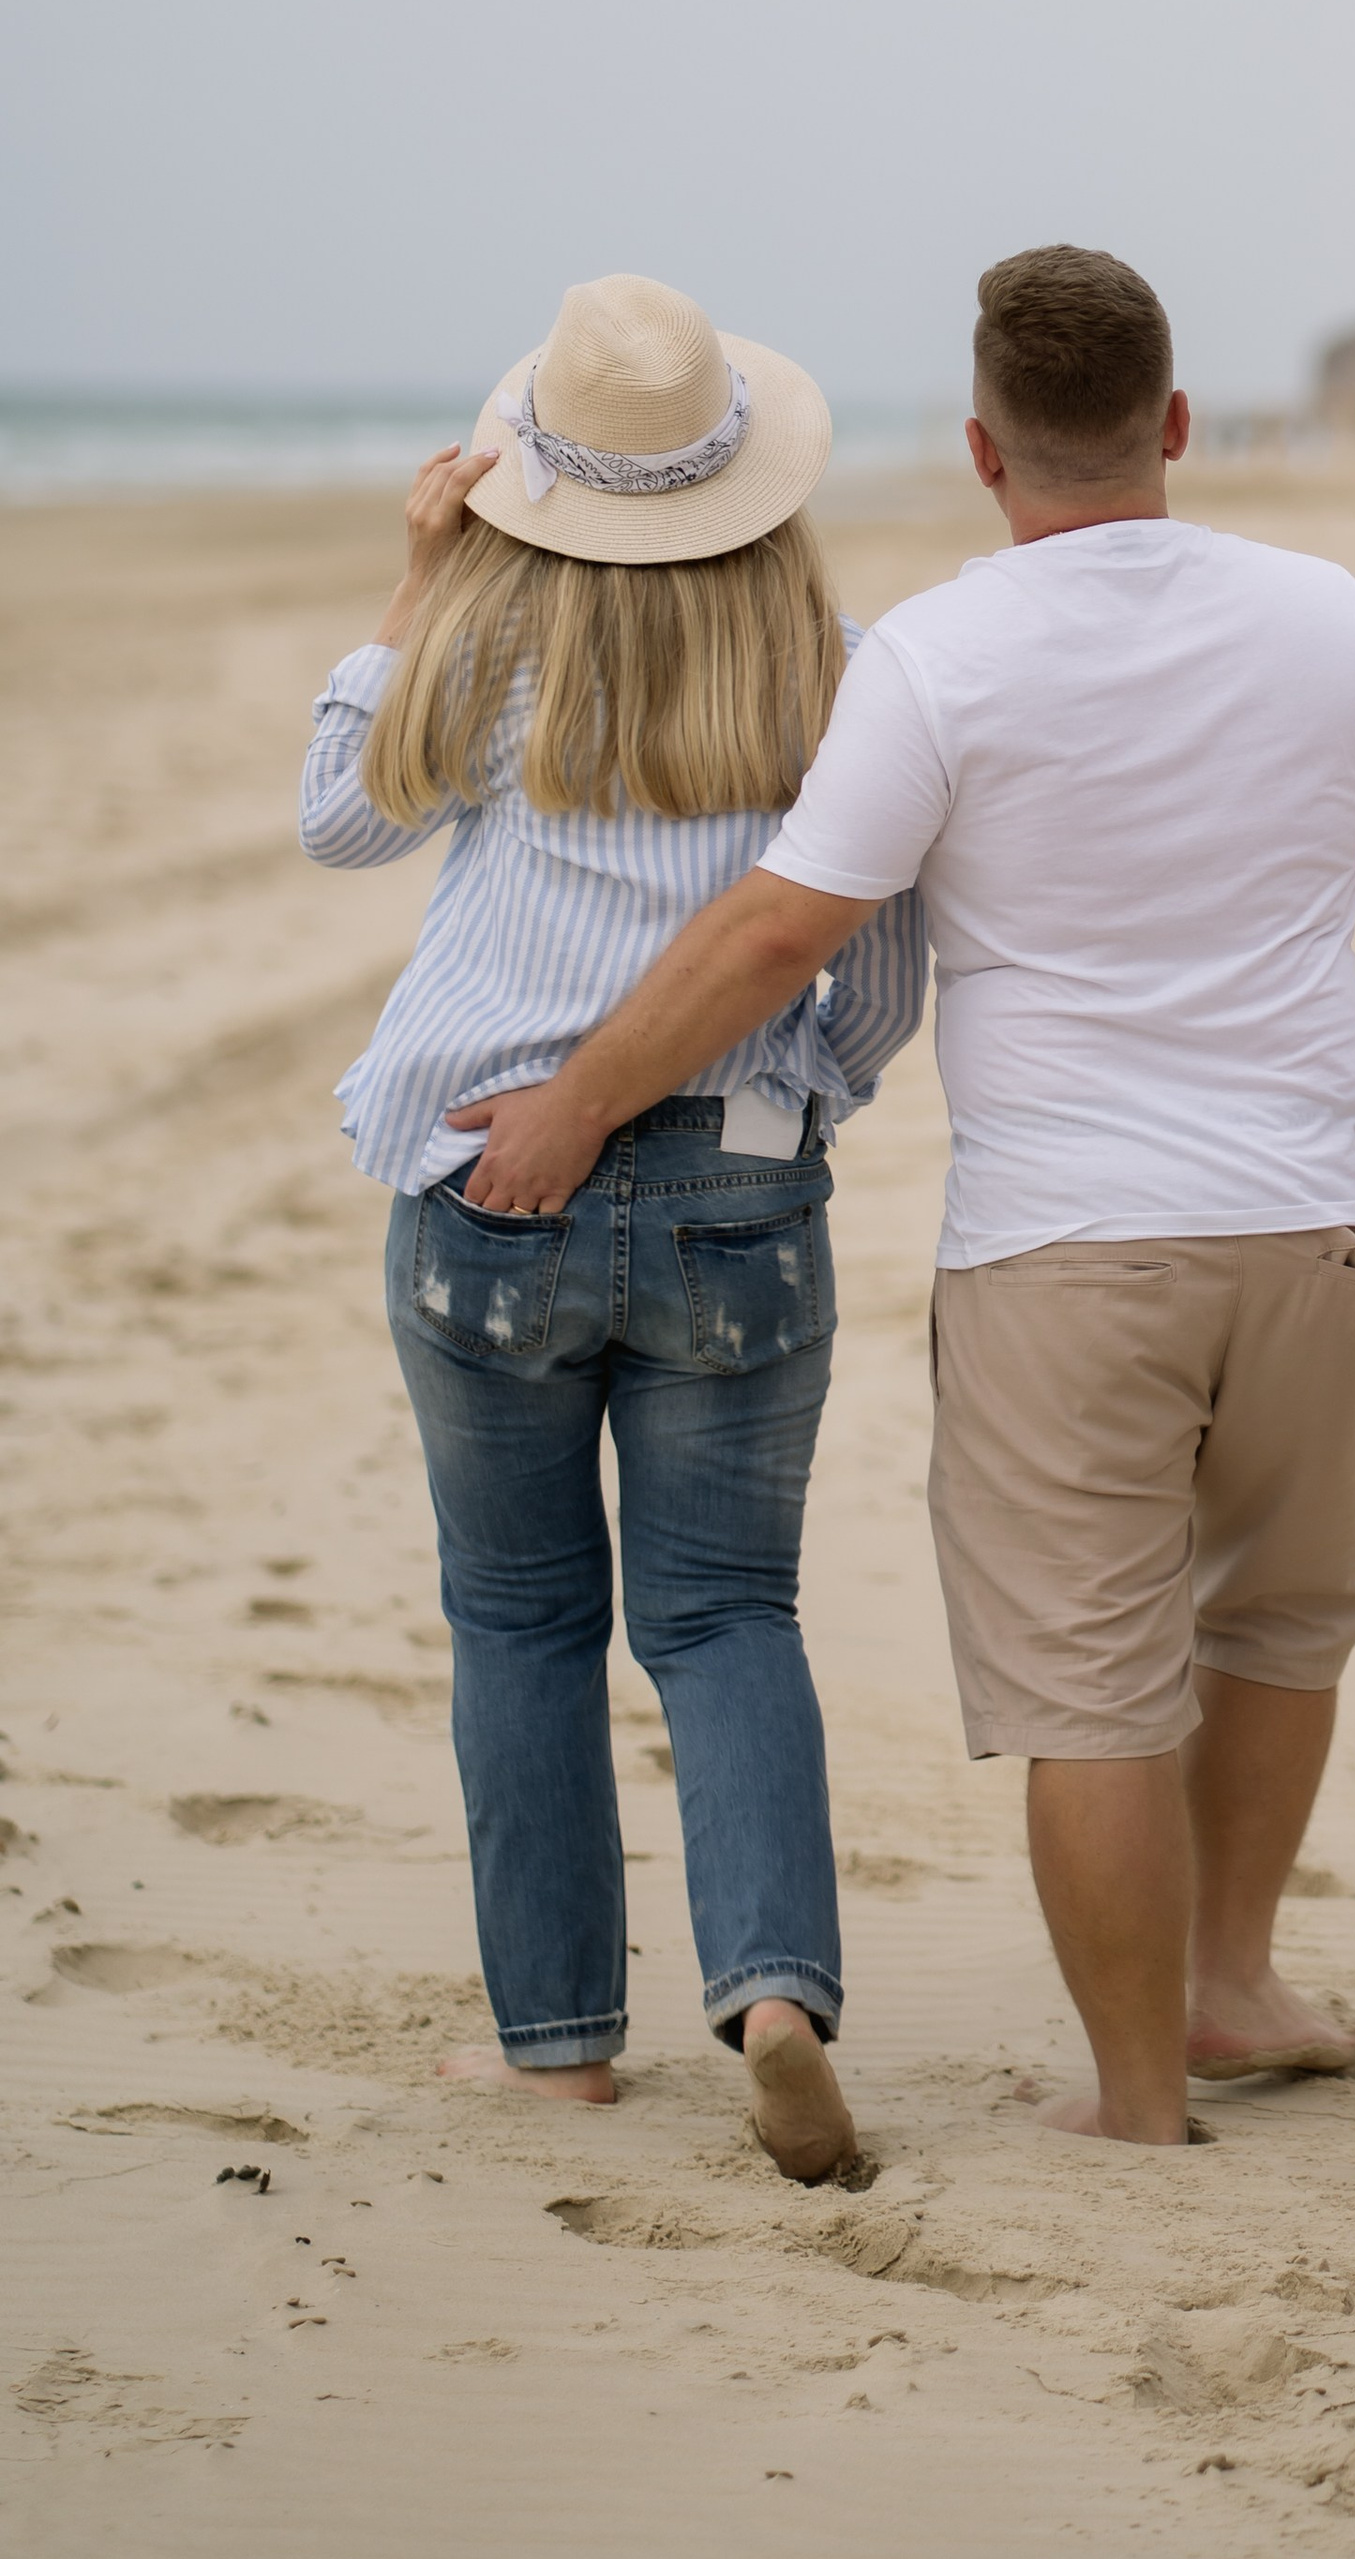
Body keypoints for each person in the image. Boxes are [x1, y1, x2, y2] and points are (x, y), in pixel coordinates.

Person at [448, 243, 1355, 2145]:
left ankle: (1134, 2100)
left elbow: (784, 926)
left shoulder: (944, 651)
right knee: (1274, 1624)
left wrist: (581, 1102)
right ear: (1175, 424)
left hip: (1066, 1247)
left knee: (1093, 1684)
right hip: (1308, 1220)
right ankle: (1229, 1986)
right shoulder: (1338, 620)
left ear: (981, 450)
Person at [299, 273, 927, 2181]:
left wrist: (414, 575)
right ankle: (778, 1997)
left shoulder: (487, 648)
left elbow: (342, 817)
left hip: (486, 1182)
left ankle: (559, 2044)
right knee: (731, 1613)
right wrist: (799, 1097)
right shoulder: (831, 672)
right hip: (737, 1184)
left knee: (520, 1616)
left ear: (526, 482)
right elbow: (879, 969)